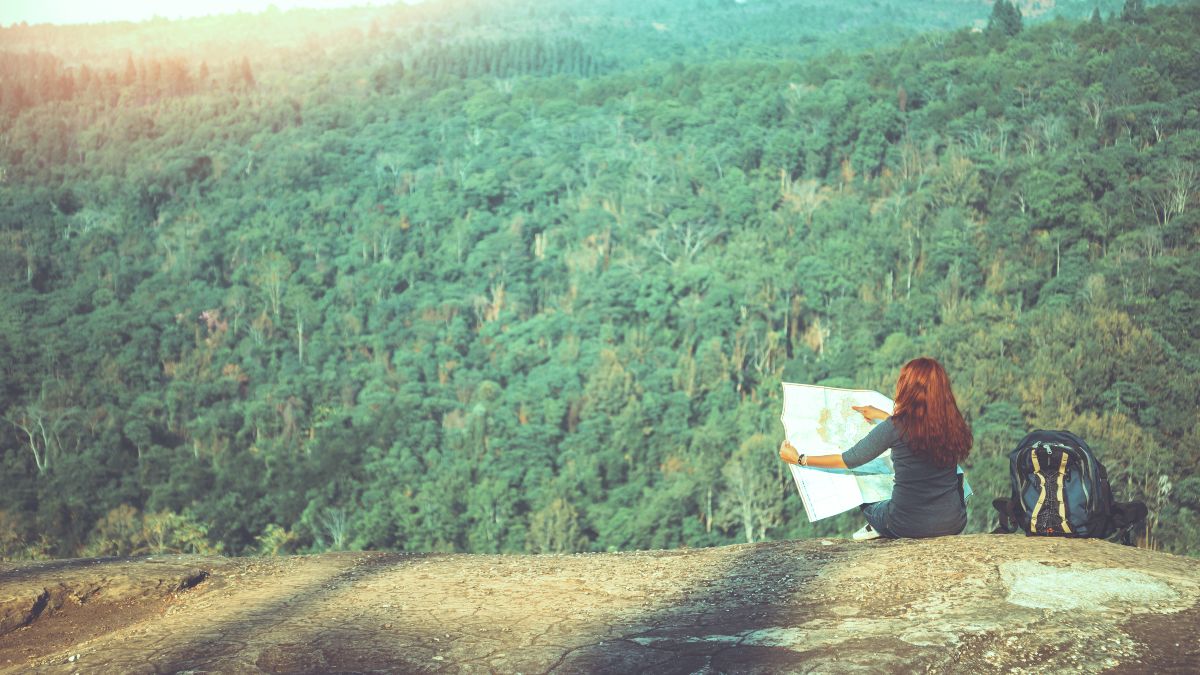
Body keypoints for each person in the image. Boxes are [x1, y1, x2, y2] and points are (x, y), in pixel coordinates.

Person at [778, 357, 971, 540]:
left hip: (907, 525)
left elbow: (849, 459)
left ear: (907, 388)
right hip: (953, 522)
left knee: (866, 499)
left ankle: (879, 528)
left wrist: (799, 458)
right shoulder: (952, 423)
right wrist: (883, 415)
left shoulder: (895, 426)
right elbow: (917, 431)